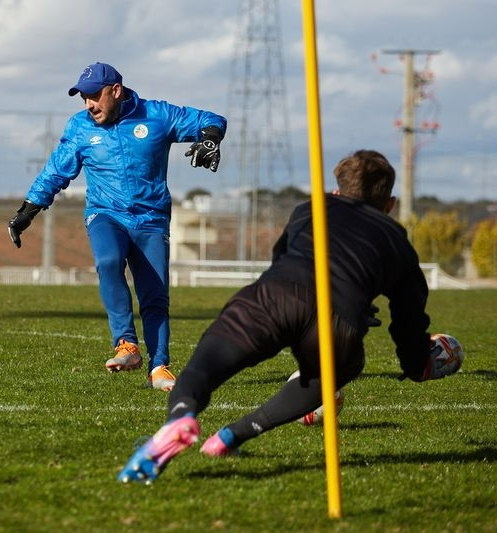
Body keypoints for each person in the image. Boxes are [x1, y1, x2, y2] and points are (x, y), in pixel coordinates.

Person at [117, 149, 462, 482]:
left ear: (337, 191)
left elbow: (282, 255)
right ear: (390, 205)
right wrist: (417, 364)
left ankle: (180, 417)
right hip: (338, 321)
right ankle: (231, 436)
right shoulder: (398, 241)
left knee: (206, 364)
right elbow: (408, 319)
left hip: (275, 295)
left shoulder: (311, 208)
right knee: (338, 370)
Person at [7, 62, 228, 391]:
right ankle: (126, 344)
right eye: (83, 98)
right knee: (109, 261)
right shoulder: (80, 127)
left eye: (94, 95)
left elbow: (211, 120)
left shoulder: (156, 115)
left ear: (116, 90)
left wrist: (210, 138)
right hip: (105, 214)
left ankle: (159, 367)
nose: (89, 104)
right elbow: (56, 171)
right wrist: (28, 210)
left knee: (154, 295)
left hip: (151, 219)